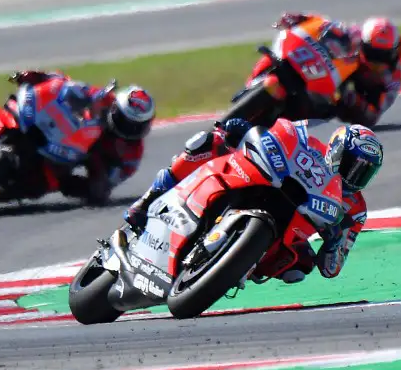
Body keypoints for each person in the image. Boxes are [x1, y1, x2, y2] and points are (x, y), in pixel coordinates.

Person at [124, 118, 384, 284]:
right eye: (353, 166)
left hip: (289, 228)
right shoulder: (311, 145)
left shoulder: (356, 211)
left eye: (364, 173)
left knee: (298, 267)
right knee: (210, 141)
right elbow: (279, 136)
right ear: (337, 151)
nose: (355, 177)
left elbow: (332, 269)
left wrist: (335, 240)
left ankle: (240, 263)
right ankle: (149, 199)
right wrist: (245, 128)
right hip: (268, 185)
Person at [5, 70, 156, 206]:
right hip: (63, 132)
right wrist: (39, 77)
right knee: (20, 107)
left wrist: (97, 180)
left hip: (77, 158)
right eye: (126, 122)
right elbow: (69, 86)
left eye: (138, 125)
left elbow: (109, 182)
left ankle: (9, 191)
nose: (131, 129)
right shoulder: (105, 99)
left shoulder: (132, 154)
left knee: (46, 185)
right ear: (116, 108)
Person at [268, 12, 401, 128]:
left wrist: (349, 98)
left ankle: (292, 119)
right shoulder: (355, 34)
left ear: (393, 52)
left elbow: (375, 112)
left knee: (366, 118)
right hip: (336, 68)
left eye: (383, 55)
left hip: (356, 90)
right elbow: (324, 25)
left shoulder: (394, 76)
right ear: (364, 43)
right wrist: (301, 19)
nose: (376, 59)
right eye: (372, 52)